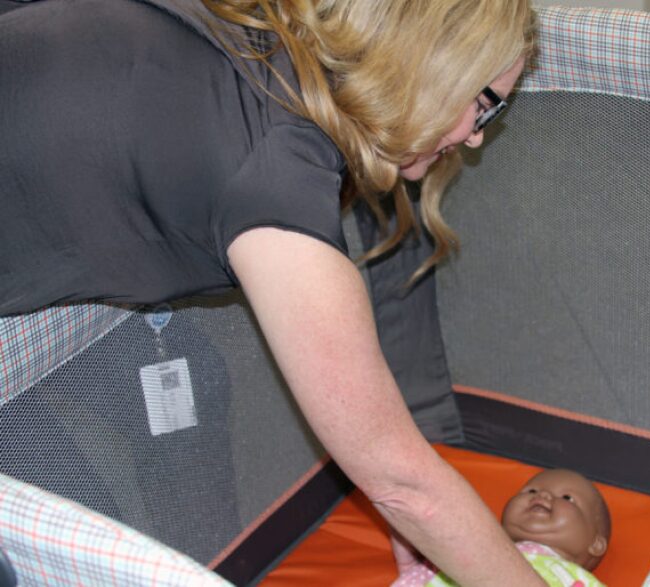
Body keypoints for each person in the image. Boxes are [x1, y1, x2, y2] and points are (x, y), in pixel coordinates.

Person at [0, 0, 542, 584]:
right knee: (49, 554)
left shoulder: (269, 38)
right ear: (431, 68)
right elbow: (408, 486)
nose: (478, 140)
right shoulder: (275, 176)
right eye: (485, 107)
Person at [392, 469, 611, 586]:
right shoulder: (482, 543)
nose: (543, 495)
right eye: (531, 491)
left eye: (566, 497)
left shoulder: (579, 580)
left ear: (596, 543)